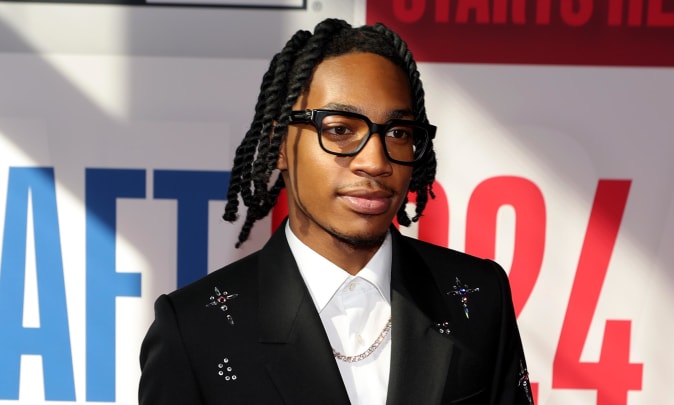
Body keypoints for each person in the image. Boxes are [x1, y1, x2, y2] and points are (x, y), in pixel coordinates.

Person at [139, 18, 534, 405]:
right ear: (280, 144)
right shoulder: (195, 330)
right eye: (340, 130)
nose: (376, 161)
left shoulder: (478, 297)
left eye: (398, 133)